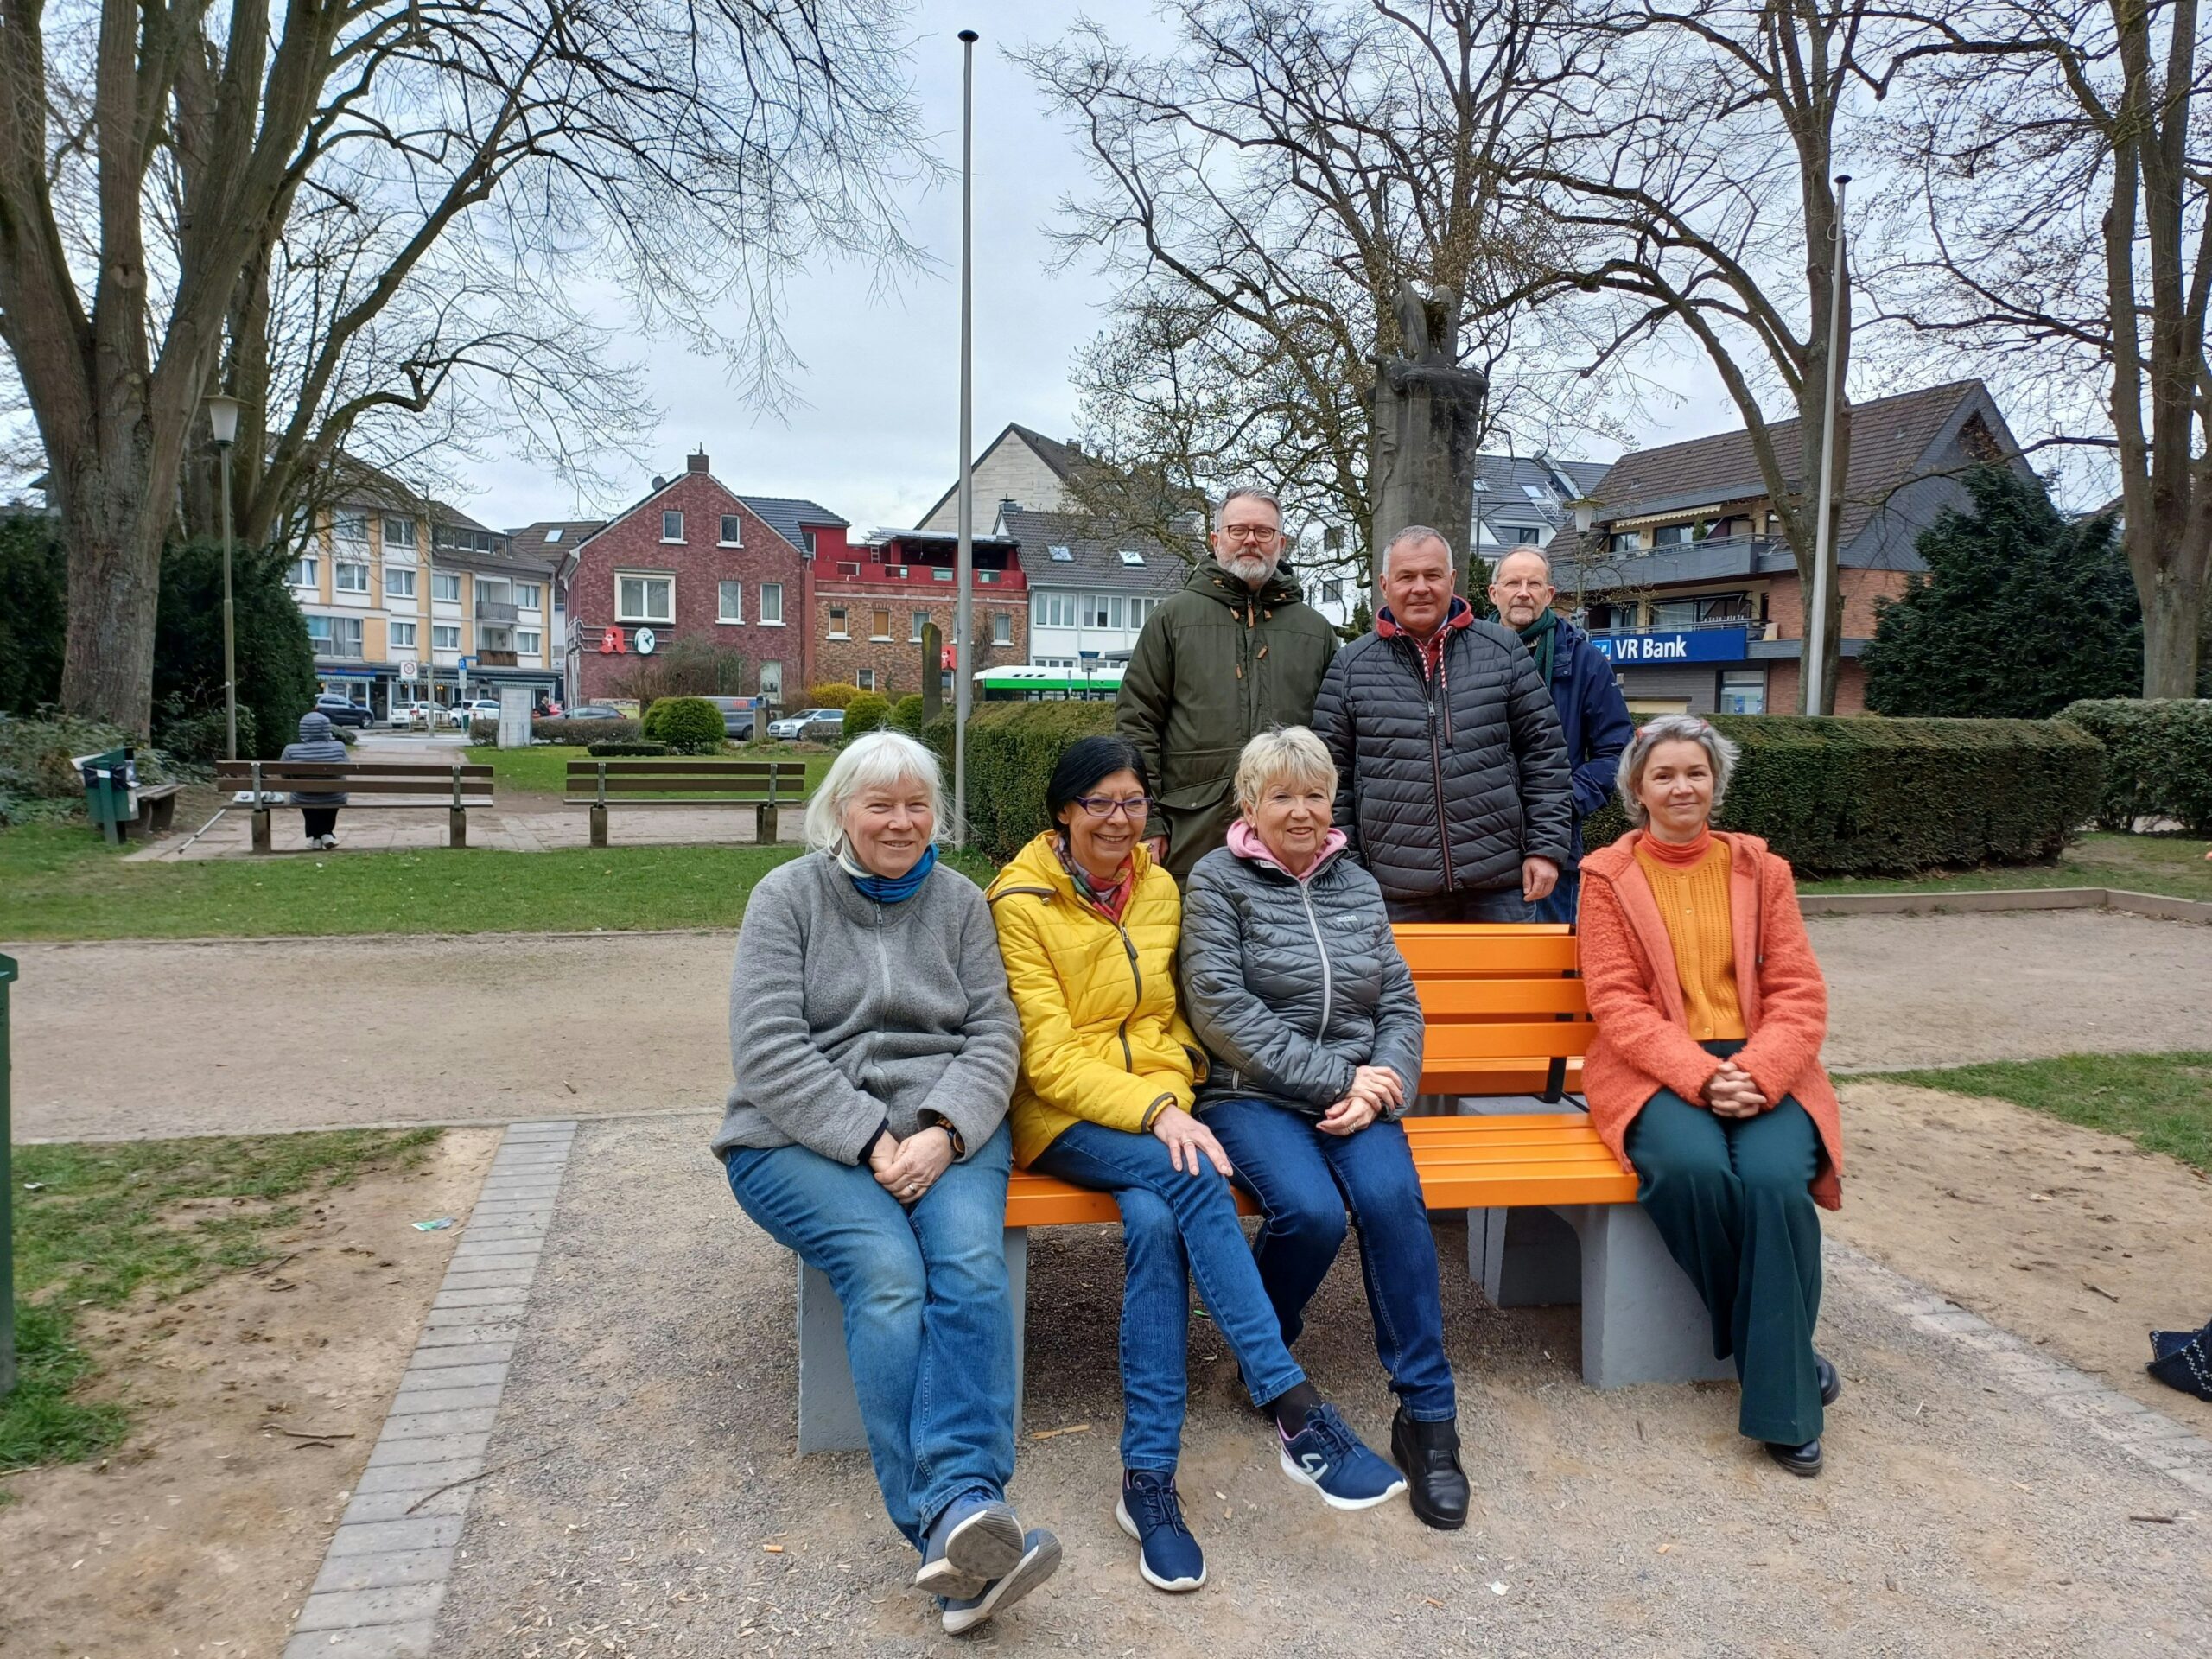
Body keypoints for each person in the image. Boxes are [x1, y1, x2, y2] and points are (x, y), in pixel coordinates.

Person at [988, 734, 1404, 1597]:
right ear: (1062, 812)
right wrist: (1159, 1113)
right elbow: (1046, 1058)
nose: (1118, 819)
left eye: (1132, 801)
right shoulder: (1020, 902)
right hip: (1063, 1119)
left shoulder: (1161, 886)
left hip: (1157, 1116)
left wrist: (1168, 1093)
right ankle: (1292, 1405)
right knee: (1190, 1181)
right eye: (1098, 802)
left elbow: (1174, 1023)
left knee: (1155, 1219)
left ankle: (1146, 1485)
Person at [714, 732, 1058, 1635]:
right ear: (840, 812)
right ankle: (943, 1529)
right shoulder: (784, 898)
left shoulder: (959, 903)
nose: (900, 822)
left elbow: (994, 1037)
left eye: (916, 805)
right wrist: (869, 1139)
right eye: (880, 805)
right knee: (888, 1271)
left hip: (946, 1129)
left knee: (970, 1266)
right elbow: (767, 1051)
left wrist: (943, 1132)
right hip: (799, 1136)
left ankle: (964, 1515)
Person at [1179, 727, 1470, 1530]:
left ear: (1332, 801)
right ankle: (1263, 1351)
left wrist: (1382, 1088)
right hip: (1251, 1095)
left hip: (1357, 1096)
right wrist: (1339, 1078)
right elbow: (1220, 1011)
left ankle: (1427, 1418)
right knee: (1309, 1213)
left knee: (1390, 1203)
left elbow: (1400, 1003)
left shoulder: (1357, 884)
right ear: (1249, 805)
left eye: (1313, 794)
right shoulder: (1216, 881)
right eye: (1282, 796)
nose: (1300, 811)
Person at [1575, 715, 1847, 1476]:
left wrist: (1758, 1073)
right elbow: (1617, 1002)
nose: (1680, 786)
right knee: (1692, 1170)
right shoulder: (1606, 877)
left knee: (1771, 1183)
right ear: (1637, 789)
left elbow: (1799, 992)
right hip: (1654, 1067)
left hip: (1764, 1062)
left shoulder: (1765, 871)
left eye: (1694, 772)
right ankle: (1786, 1355)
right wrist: (1698, 1074)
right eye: (1663, 774)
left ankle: (1783, 1411)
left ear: (1715, 782)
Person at [1313, 525, 1573, 922]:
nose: (1420, 587)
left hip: (1501, 883)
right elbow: (1329, 780)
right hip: (1392, 889)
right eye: (1406, 577)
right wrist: (1347, 865)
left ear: (1452, 581)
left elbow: (1545, 758)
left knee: (1505, 986)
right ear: (1385, 584)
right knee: (1405, 988)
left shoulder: (1503, 652)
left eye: (1432, 575)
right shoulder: (1350, 667)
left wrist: (1545, 848)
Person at [1116, 487, 1341, 879]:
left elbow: (1336, 738)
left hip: (1293, 837)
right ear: (1216, 539)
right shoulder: (1172, 620)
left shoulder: (1316, 631)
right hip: (1192, 832)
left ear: (1281, 543)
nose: (1250, 540)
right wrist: (1148, 823)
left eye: (1263, 532)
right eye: (1238, 530)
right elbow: (1137, 726)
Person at [1488, 548, 1634, 924]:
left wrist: (1563, 802)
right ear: (1494, 593)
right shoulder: (1465, 656)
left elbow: (1618, 751)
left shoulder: (1585, 662)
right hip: (1480, 848)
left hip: (1554, 848)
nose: (1523, 592)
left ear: (1549, 595)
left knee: (1548, 970)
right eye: (1513, 583)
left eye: (1534, 584)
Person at [280, 710, 349, 849]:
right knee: (334, 790)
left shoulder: (291, 750)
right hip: (334, 796)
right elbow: (346, 769)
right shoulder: (339, 747)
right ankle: (326, 833)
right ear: (326, 728)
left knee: (305, 794)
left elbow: (284, 775)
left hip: (303, 797)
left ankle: (316, 838)